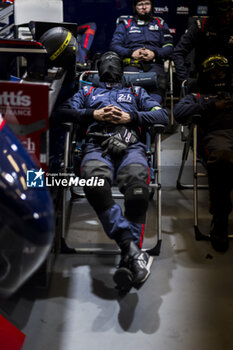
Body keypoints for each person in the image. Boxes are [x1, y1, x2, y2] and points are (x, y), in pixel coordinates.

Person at [55, 51, 169, 291]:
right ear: (97, 69)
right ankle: (131, 250)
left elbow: (163, 115)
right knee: (95, 184)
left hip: (131, 144)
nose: (110, 65)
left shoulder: (137, 92)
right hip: (96, 144)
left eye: (114, 61)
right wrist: (92, 114)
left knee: (138, 189)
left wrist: (131, 117)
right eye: (105, 62)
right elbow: (60, 113)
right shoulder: (87, 92)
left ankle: (128, 258)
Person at [174, 54, 233, 252]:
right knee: (223, 158)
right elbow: (179, 114)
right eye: (213, 73)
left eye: (221, 72)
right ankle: (221, 219)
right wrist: (212, 105)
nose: (218, 76)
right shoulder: (198, 96)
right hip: (216, 137)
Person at [109, 0, 173, 102]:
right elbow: (114, 45)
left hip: (155, 65)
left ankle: (152, 109)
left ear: (152, 6)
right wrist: (131, 53)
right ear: (135, 7)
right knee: (129, 94)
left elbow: (169, 47)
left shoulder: (160, 23)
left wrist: (154, 54)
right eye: (140, 4)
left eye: (147, 4)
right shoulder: (125, 23)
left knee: (156, 92)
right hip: (131, 65)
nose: (144, 7)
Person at [173, 0, 233, 85]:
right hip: (203, 80)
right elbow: (178, 52)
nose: (227, 16)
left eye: (230, 13)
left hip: (229, 81)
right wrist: (184, 80)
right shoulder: (201, 26)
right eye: (224, 14)